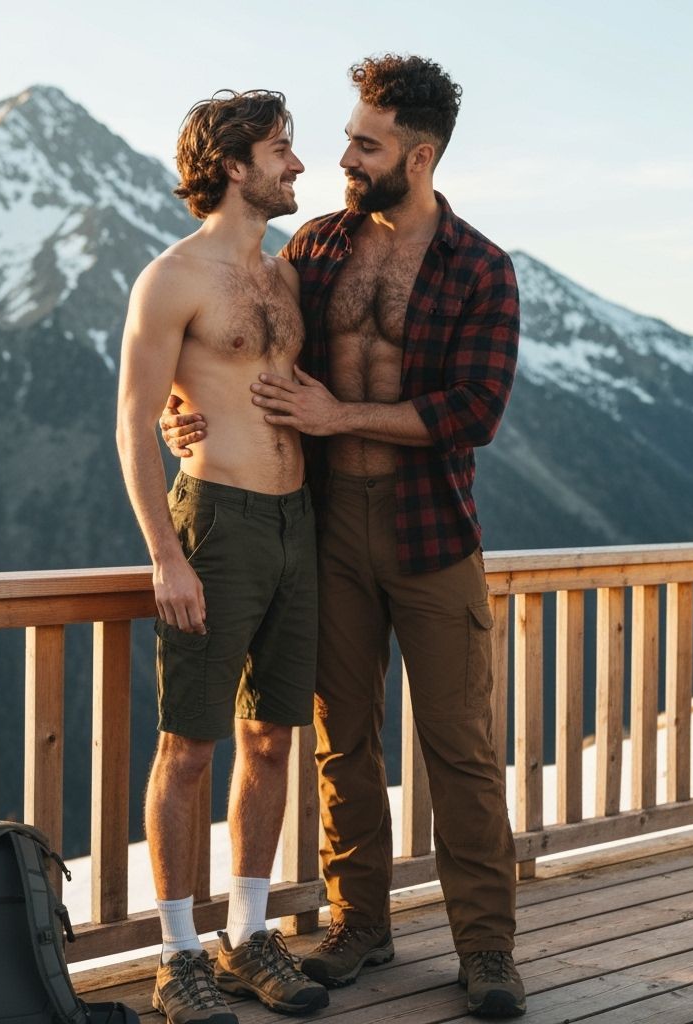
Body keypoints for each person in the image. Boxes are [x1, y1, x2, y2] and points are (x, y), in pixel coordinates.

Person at [163, 55, 525, 1019]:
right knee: (342, 744)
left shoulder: (481, 268)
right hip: (323, 531)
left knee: (459, 747)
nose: (343, 157)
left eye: (366, 144)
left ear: (421, 152)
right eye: (346, 139)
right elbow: (233, 341)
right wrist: (179, 406)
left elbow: (474, 410)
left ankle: (487, 947)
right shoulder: (314, 250)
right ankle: (360, 923)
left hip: (432, 533)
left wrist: (340, 420)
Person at [116, 89, 329, 1024]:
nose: (298, 166)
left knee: (273, 735)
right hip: (215, 523)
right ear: (235, 165)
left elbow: (273, 383)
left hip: (298, 523)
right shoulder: (173, 277)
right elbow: (132, 420)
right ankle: (177, 955)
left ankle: (248, 940)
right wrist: (166, 555)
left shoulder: (287, 277)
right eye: (282, 150)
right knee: (191, 745)